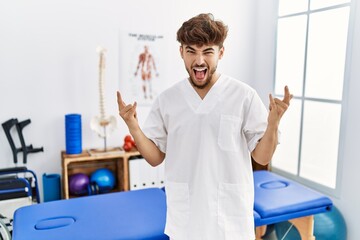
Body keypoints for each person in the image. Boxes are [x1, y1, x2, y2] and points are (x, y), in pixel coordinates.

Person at [117, 13, 292, 240]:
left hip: (230, 220)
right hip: (186, 220)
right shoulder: (167, 100)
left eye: (207, 52)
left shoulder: (243, 96)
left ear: (221, 52)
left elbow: (262, 157)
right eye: (191, 51)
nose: (199, 61)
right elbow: (155, 158)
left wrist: (273, 125)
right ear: (181, 52)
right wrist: (133, 126)